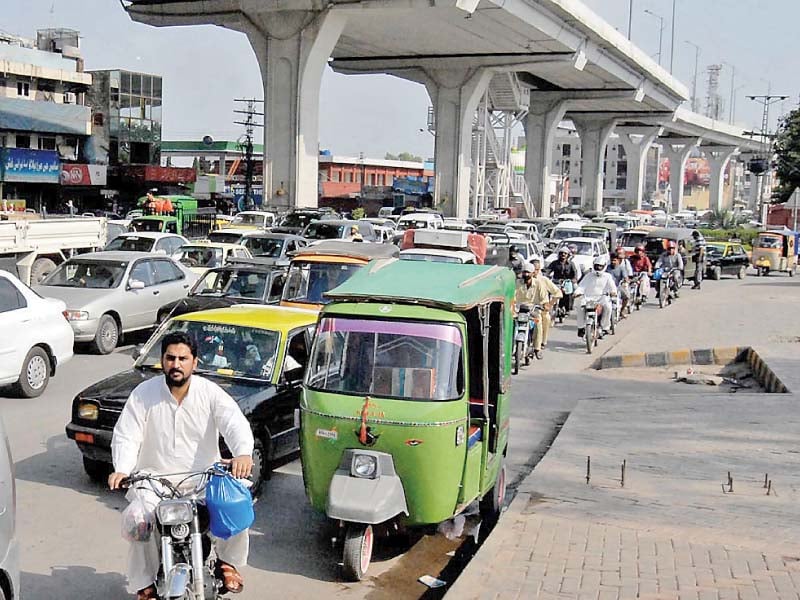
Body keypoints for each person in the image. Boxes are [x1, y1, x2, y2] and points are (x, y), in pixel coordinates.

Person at [109, 331, 254, 599]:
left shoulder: (210, 393)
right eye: (170, 358)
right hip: (154, 483)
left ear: (195, 362)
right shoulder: (144, 394)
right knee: (138, 521)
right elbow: (126, 434)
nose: (176, 364)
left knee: (237, 504)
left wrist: (243, 454)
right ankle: (144, 584)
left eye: (183, 358)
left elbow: (234, 423)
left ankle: (227, 562)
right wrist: (122, 469)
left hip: (202, 481)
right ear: (162, 361)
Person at [514, 259, 562, 359]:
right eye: (524, 272)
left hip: (534, 310)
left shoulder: (540, 282)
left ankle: (537, 348)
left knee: (538, 321)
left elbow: (545, 298)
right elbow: (512, 296)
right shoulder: (518, 282)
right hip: (519, 310)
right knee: (511, 322)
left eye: (529, 272)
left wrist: (547, 304)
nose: (526, 274)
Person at [574, 256, 616, 338]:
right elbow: (581, 286)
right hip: (588, 298)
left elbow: (612, 286)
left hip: (602, 298)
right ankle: (581, 327)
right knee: (579, 306)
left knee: (608, 307)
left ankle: (605, 327)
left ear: (604, 266)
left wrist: (613, 292)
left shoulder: (607, 276)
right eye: (597, 266)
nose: (598, 268)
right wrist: (577, 292)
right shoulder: (588, 275)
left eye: (600, 266)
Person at [546, 248, 578, 313]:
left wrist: (574, 279)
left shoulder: (571, 264)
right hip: (556, 281)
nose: (563, 255)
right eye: (561, 253)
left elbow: (575, 273)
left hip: (567, 282)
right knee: (548, 291)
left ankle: (569, 307)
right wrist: (546, 276)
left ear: (568, 255)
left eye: (565, 253)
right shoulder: (554, 263)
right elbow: (548, 271)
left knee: (574, 289)